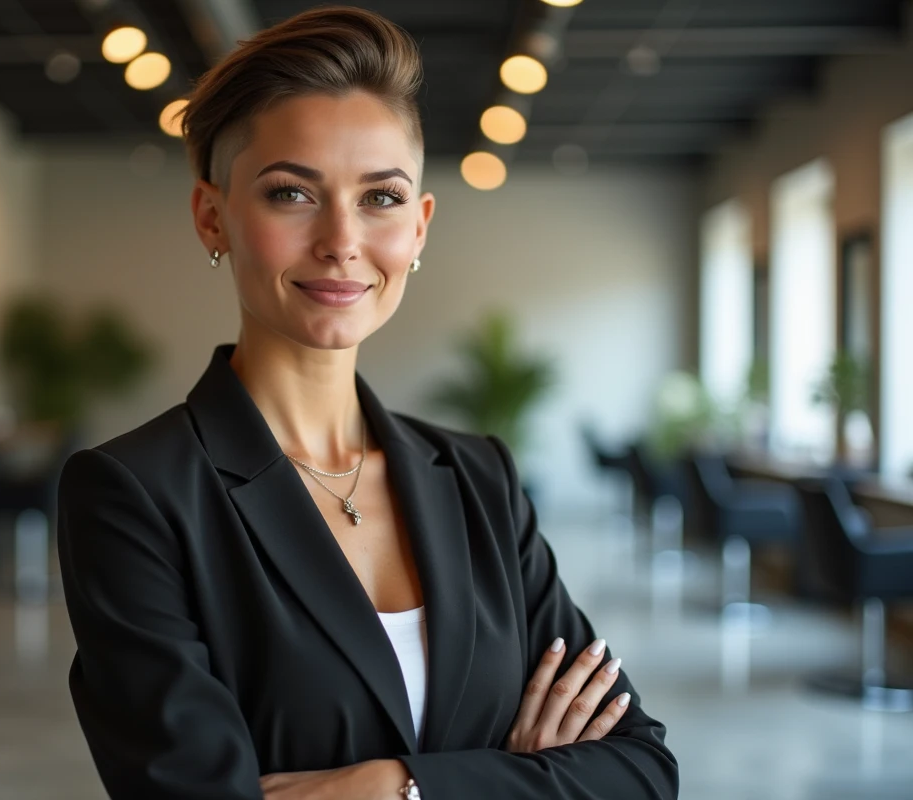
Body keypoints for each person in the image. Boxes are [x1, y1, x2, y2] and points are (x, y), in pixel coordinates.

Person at [56, 6, 679, 799]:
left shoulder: (477, 476)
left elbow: (639, 769)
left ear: (418, 229)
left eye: (380, 198)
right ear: (213, 215)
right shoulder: (135, 495)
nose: (341, 239)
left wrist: (397, 788)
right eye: (290, 193)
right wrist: (514, 777)